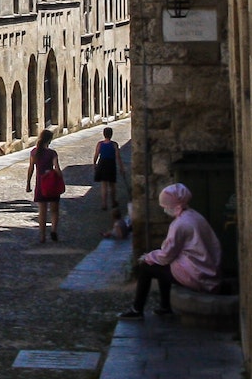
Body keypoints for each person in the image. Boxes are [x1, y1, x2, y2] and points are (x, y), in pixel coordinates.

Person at [121, 183, 221, 317]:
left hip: (197, 274)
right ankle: (164, 306)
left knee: (146, 267)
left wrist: (148, 257)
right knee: (162, 266)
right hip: (207, 268)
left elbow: (166, 255)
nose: (164, 209)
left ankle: (137, 309)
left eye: (165, 206)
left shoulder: (180, 224)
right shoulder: (195, 215)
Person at [25, 128, 64, 243]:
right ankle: (53, 230)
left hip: (40, 183)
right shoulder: (52, 153)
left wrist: (28, 183)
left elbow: (31, 168)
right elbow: (57, 168)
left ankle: (42, 236)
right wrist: (60, 178)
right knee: (54, 210)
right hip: (51, 183)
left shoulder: (34, 152)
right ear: (50, 140)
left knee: (42, 211)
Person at [92, 126, 120, 213]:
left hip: (102, 164)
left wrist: (94, 164)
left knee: (104, 185)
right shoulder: (114, 144)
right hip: (111, 164)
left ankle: (104, 204)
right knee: (112, 185)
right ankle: (113, 201)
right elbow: (118, 157)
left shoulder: (100, 144)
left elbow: (96, 154)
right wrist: (122, 167)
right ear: (111, 134)